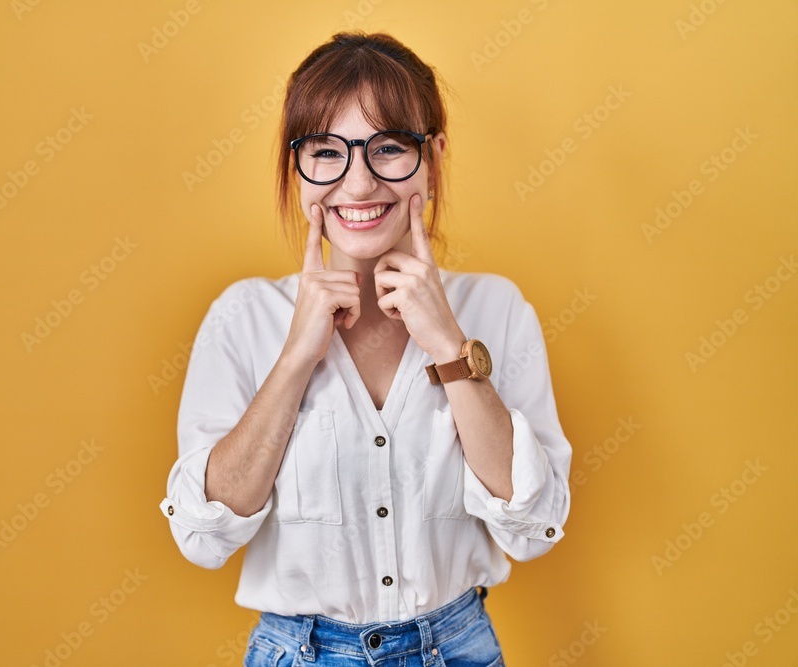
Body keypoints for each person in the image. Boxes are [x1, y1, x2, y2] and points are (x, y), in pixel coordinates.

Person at [160, 31, 572, 666]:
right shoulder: (243, 317)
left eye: (388, 148)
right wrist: (296, 356)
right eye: (326, 151)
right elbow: (202, 535)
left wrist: (448, 346)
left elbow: (533, 526)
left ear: (432, 158)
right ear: (295, 165)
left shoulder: (497, 309)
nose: (357, 185)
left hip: (456, 649)